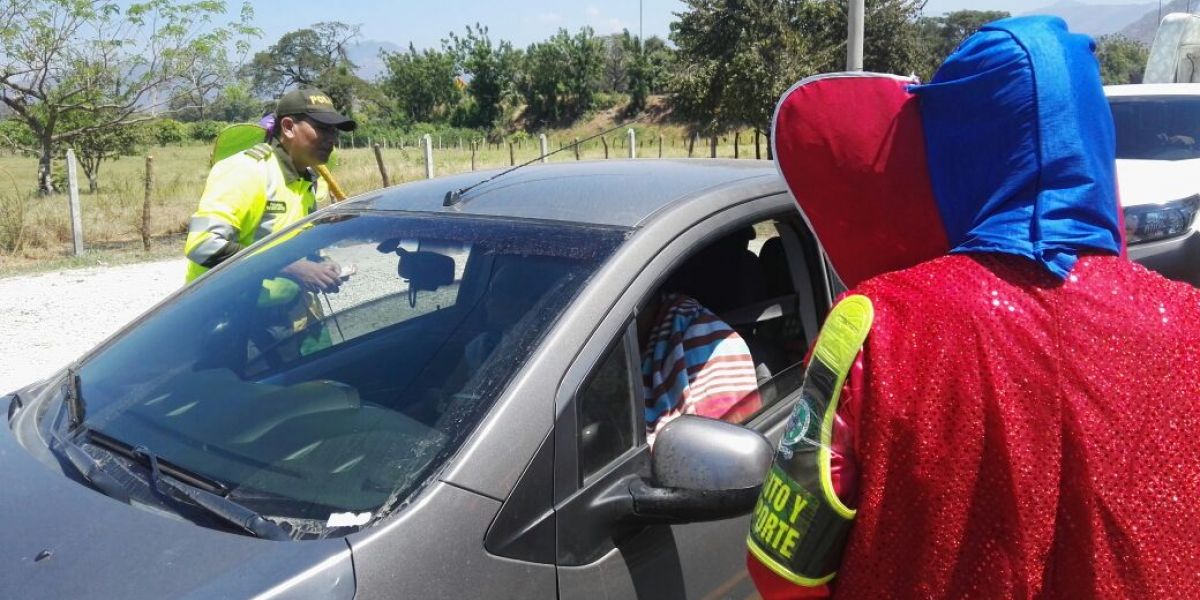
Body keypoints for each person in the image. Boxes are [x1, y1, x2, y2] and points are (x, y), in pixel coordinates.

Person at [745, 16, 1200, 599]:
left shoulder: (872, 327)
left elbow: (783, 572)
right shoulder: (1188, 321)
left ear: (950, 145)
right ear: (1094, 136)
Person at [183, 87, 356, 289]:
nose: (332, 139)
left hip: (278, 312)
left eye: (334, 131)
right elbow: (203, 245)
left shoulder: (307, 180)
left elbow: (294, 243)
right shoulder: (246, 170)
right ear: (289, 126)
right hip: (225, 311)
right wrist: (291, 268)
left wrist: (320, 263)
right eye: (323, 129)